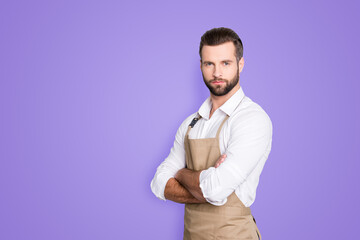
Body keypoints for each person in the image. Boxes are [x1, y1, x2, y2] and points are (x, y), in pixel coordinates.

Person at [150, 27, 272, 240]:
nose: (217, 73)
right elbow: (159, 183)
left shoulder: (251, 119)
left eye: (226, 63)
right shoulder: (191, 123)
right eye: (209, 64)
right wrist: (205, 185)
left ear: (240, 64)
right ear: (201, 66)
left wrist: (180, 173)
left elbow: (215, 190)